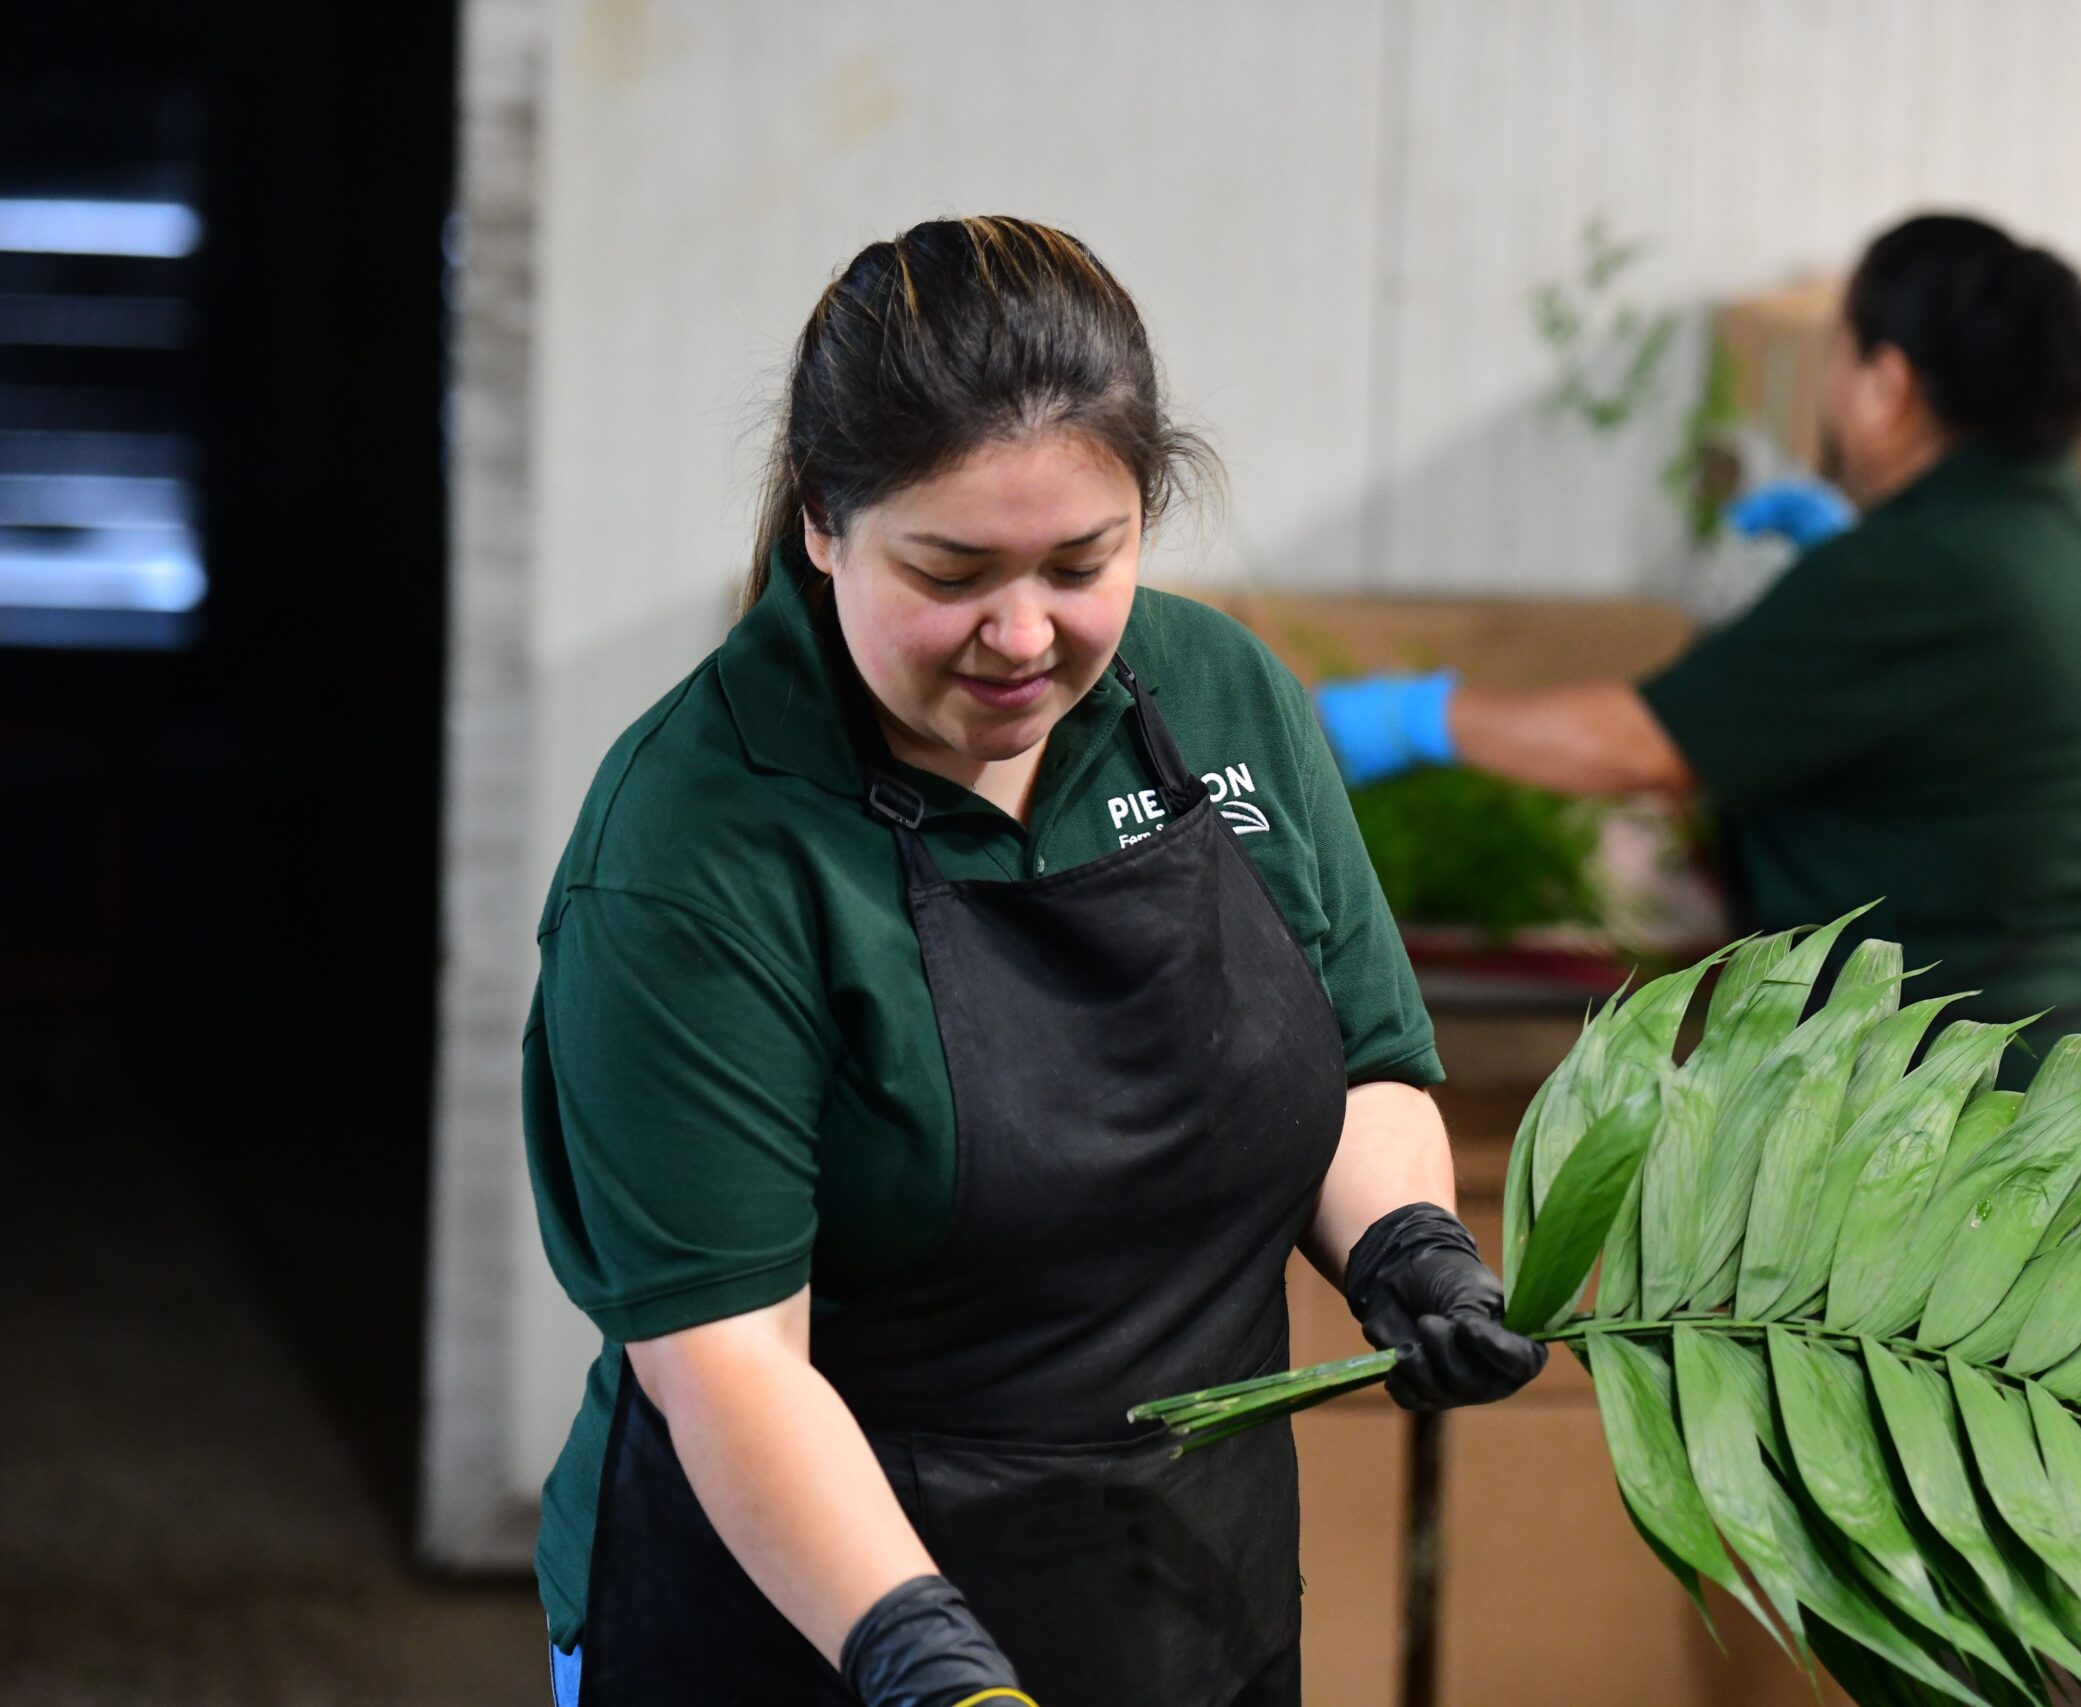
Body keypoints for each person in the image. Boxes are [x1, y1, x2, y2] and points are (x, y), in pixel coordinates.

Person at [521, 216, 1546, 1707]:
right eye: (950, 570)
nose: (1021, 634)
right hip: (808, 1622)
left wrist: (1407, 1243)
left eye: (1084, 561)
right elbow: (728, 1358)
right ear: (823, 518)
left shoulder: (1220, 695)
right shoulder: (693, 844)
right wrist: (926, 1659)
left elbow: (1361, 1057)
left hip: (1187, 1593)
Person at [1317, 212, 2081, 1079]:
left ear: (1886, 383)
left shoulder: (1922, 568)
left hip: (1936, 1079)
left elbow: (1648, 743)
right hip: (2062, 1056)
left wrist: (1422, 716)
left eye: (1839, 351)